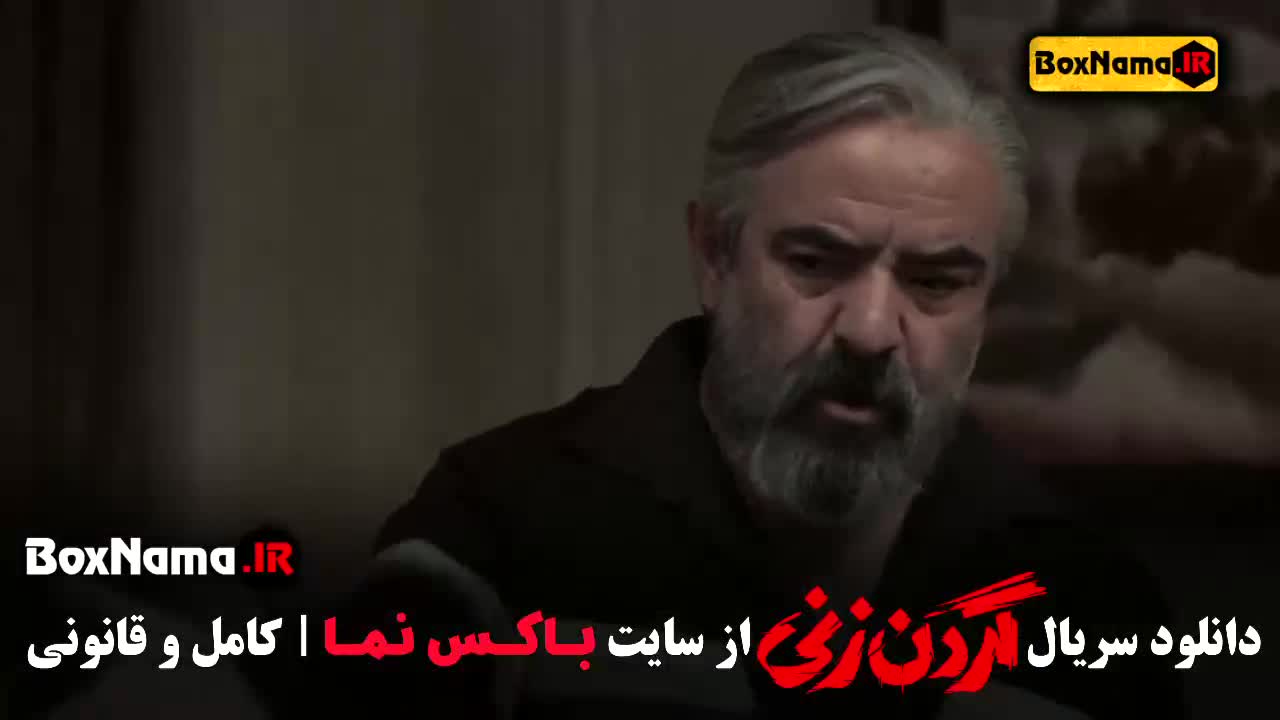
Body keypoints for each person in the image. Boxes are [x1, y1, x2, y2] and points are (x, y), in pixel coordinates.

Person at [361, 29, 1183, 719]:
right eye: (815, 262)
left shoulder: (1080, 604)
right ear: (714, 256)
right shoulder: (497, 535)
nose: (870, 332)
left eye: (936, 282)